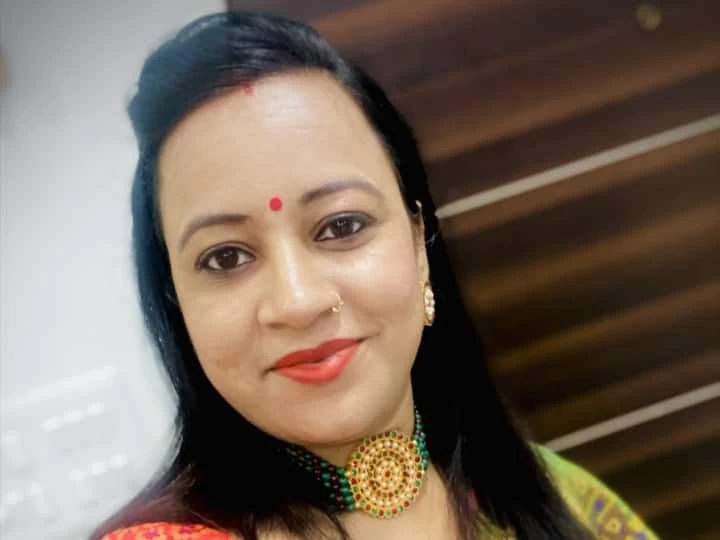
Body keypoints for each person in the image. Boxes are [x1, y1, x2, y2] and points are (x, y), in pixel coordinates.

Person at [92, 11, 658, 540]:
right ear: (176, 301)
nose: (298, 300)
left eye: (341, 226)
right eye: (225, 258)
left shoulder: (547, 492)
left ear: (417, 243)